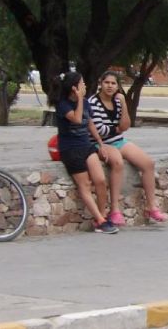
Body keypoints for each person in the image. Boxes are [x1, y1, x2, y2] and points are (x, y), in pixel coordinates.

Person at [89, 71, 168, 225]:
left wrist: (124, 103)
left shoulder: (118, 101)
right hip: (99, 143)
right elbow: (100, 130)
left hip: (117, 141)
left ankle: (151, 207)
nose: (110, 86)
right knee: (117, 162)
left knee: (148, 163)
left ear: (118, 86)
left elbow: (125, 125)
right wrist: (117, 129)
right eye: (107, 83)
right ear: (101, 83)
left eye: (113, 83)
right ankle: (114, 210)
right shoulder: (93, 102)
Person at [48, 72, 118, 234]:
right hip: (71, 149)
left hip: (86, 146)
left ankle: (101, 215)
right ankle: (100, 221)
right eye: (82, 83)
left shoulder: (85, 103)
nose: (85, 86)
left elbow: (89, 123)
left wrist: (100, 143)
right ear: (74, 88)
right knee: (84, 184)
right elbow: (77, 119)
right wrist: (79, 99)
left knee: (100, 180)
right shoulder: (63, 104)